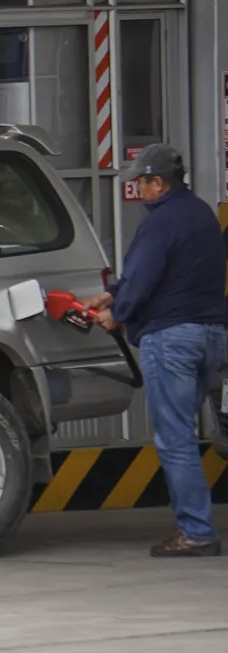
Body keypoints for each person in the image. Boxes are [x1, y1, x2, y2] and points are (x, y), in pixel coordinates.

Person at [83, 143, 227, 557]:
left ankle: (197, 532)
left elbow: (144, 278)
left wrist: (119, 313)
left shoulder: (159, 222)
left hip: (172, 341)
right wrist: (111, 295)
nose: (139, 189)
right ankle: (196, 525)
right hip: (211, 338)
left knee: (175, 438)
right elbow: (173, 275)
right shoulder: (201, 215)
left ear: (158, 182)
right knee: (184, 430)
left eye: (142, 182)